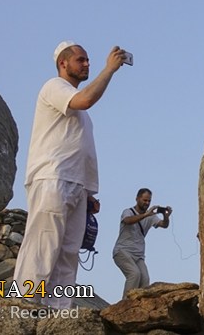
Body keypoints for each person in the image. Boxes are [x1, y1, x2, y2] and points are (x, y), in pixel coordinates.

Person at [14, 41, 128, 309]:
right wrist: (109, 69)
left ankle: (57, 312)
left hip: (76, 186)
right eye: (81, 60)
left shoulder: (83, 115)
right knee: (43, 243)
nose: (87, 64)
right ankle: (23, 305)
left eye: (88, 60)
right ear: (63, 63)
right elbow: (86, 99)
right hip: (53, 177)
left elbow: (81, 150)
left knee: (68, 253)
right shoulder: (54, 87)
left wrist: (88, 193)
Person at [113, 188, 171, 298]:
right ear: (137, 199)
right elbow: (128, 220)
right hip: (122, 251)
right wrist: (145, 215)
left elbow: (164, 225)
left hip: (138, 255)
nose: (147, 203)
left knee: (145, 279)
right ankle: (125, 305)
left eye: (149, 201)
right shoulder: (128, 211)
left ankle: (140, 307)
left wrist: (166, 217)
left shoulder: (151, 216)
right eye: (145, 200)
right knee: (134, 274)